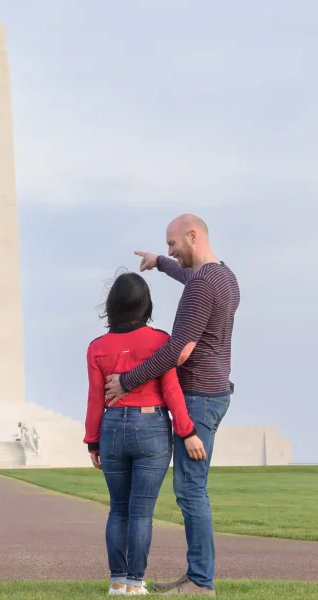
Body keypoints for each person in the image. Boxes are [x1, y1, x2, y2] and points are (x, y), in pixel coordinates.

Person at [104, 214, 240, 597]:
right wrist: (159, 262)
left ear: (192, 236)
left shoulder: (201, 286)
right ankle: (197, 574)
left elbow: (175, 353)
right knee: (191, 490)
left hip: (197, 395)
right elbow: (192, 280)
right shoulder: (224, 277)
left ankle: (200, 581)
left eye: (172, 244)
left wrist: (127, 382)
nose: (170, 250)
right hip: (216, 392)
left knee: (191, 491)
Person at [85, 271, 206, 596]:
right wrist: (188, 432)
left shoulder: (97, 347)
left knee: (118, 509)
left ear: (112, 306)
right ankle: (136, 583)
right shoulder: (160, 341)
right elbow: (172, 391)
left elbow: (96, 397)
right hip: (151, 428)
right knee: (141, 512)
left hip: (111, 429)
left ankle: (117, 582)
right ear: (145, 305)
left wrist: (92, 440)